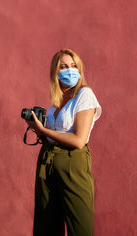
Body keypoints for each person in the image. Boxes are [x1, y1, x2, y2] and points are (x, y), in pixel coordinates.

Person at [27, 49, 102, 236]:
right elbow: (53, 135)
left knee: (80, 227)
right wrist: (38, 129)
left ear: (79, 69)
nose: (70, 70)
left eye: (73, 65)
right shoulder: (56, 102)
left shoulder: (84, 95)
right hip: (48, 162)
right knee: (46, 226)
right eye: (63, 67)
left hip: (73, 164)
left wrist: (44, 130)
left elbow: (78, 140)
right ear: (55, 72)